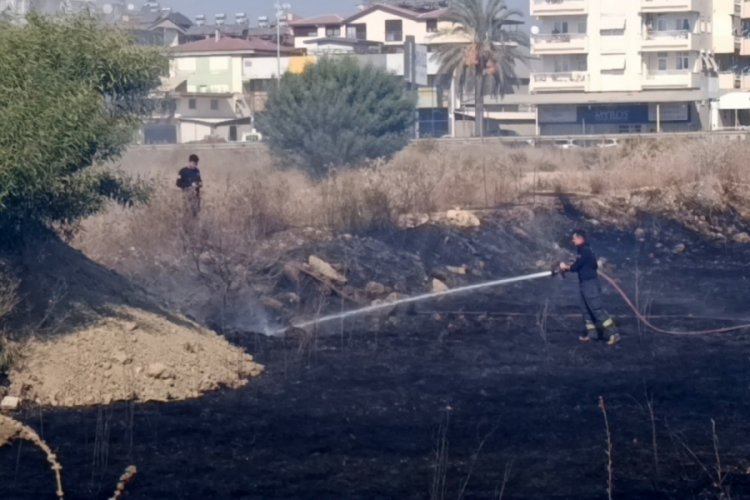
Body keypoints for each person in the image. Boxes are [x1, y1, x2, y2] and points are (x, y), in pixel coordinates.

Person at [559, 230, 621, 346]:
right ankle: (592, 335)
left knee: (597, 309)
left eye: (574, 238)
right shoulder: (583, 251)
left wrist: (566, 267)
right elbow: (585, 265)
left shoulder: (585, 251)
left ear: (580, 238)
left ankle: (614, 334)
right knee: (586, 310)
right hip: (584, 284)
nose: (572, 241)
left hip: (590, 285)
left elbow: (577, 266)